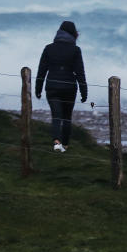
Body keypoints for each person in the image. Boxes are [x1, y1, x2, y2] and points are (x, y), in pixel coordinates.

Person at [35, 21, 87, 153]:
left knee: (56, 116)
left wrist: (38, 89)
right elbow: (80, 72)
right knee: (67, 117)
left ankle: (56, 142)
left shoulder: (49, 48)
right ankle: (65, 146)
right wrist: (84, 91)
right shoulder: (75, 50)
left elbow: (42, 71)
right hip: (69, 88)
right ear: (73, 34)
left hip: (52, 87)